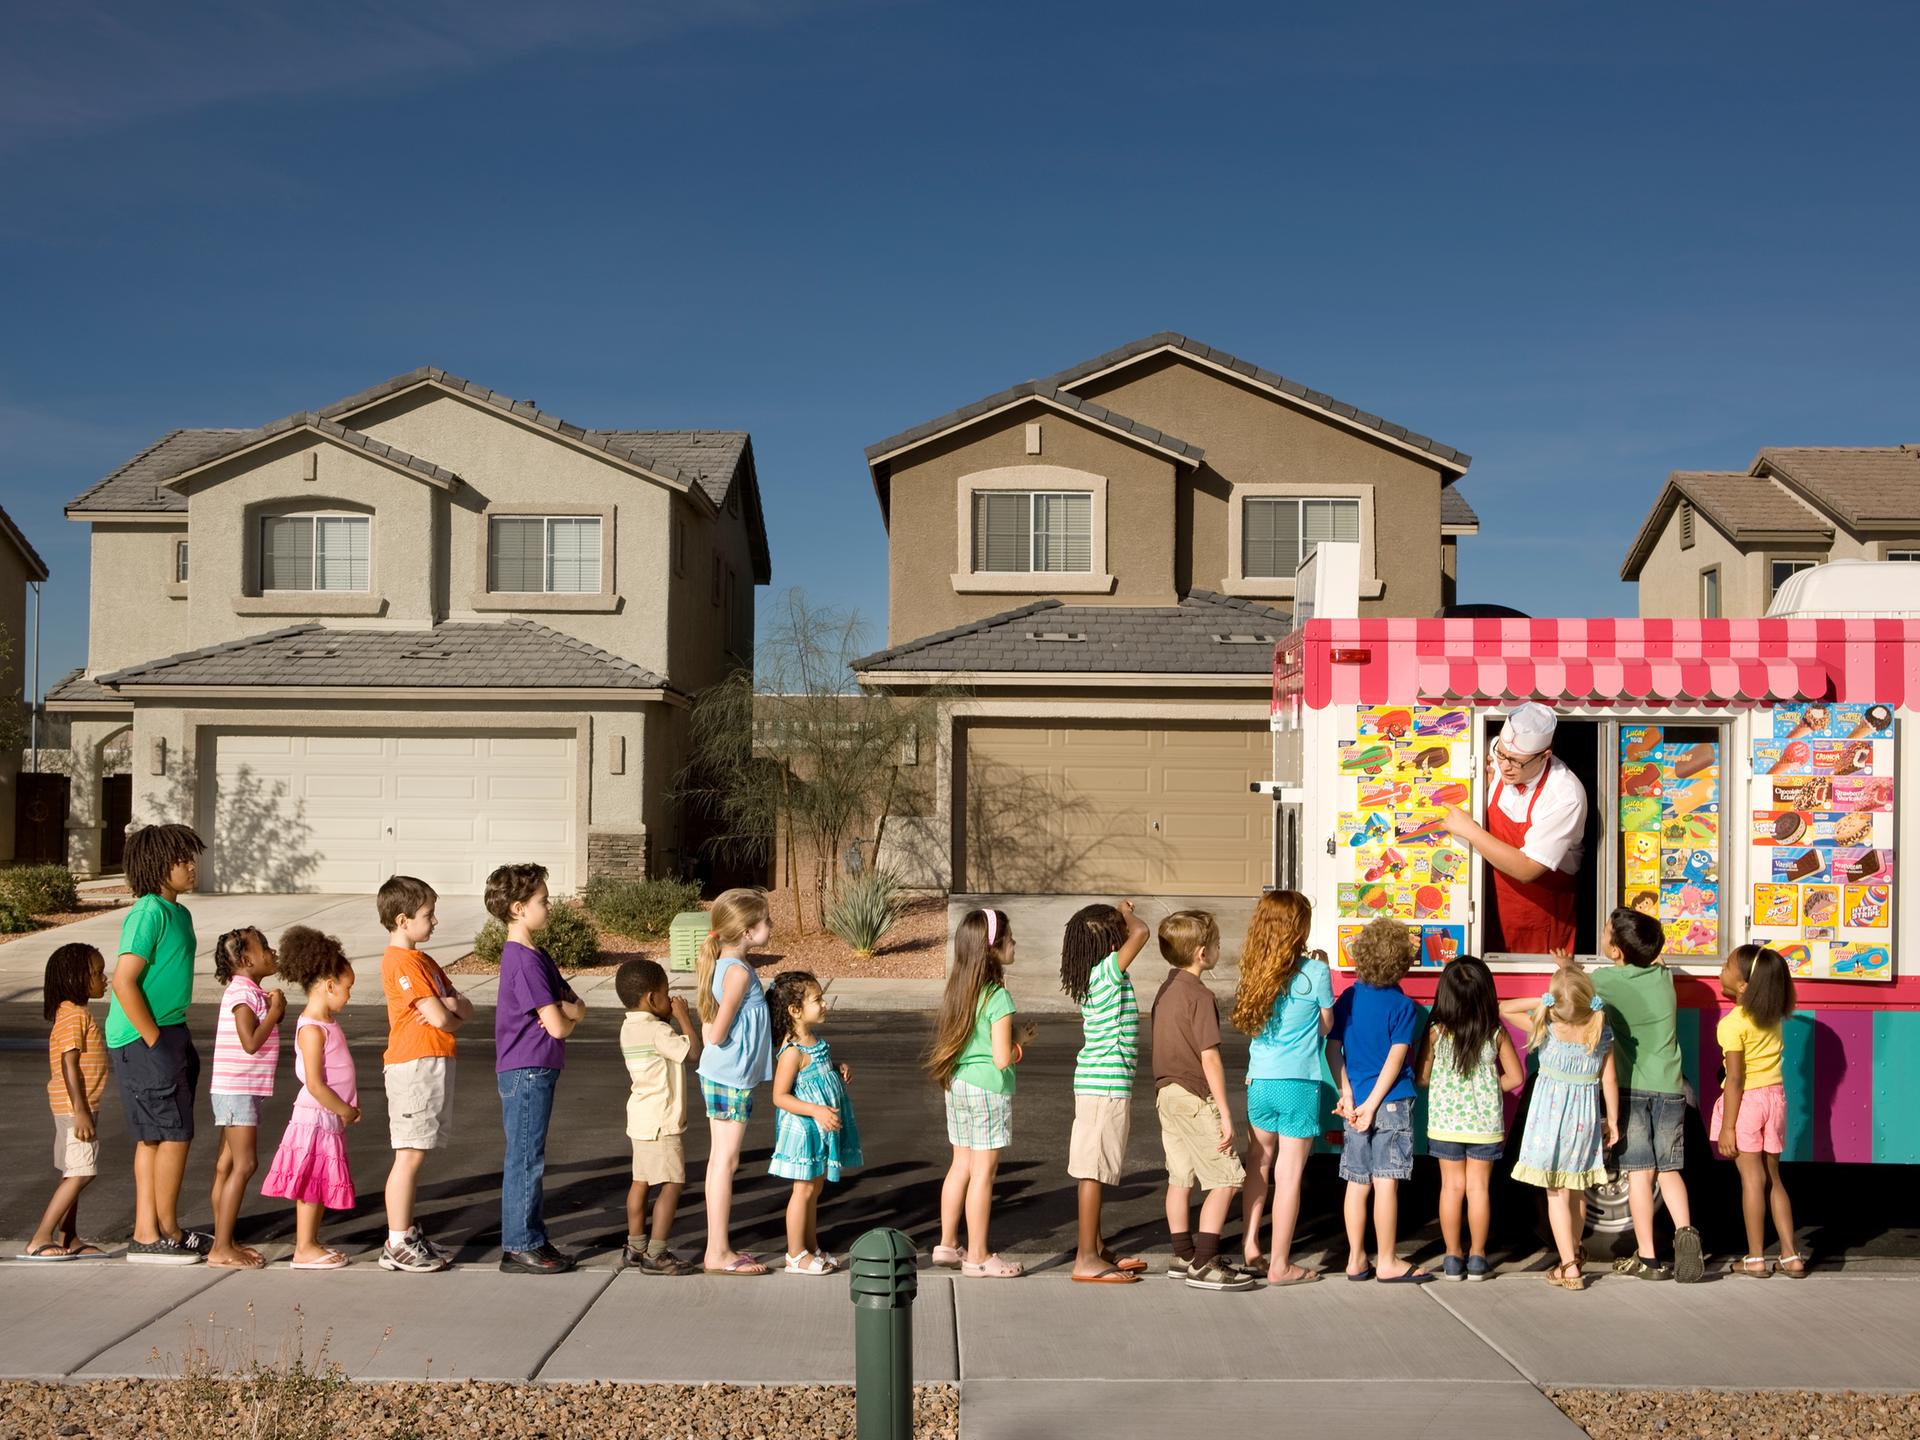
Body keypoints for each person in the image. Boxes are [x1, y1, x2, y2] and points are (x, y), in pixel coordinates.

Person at [106, 822, 213, 1264]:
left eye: (191, 856)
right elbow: (124, 981)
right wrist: (154, 1040)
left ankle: (147, 1231)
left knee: (154, 1137)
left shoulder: (178, 912)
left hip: (169, 1031)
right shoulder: (147, 912)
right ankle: (165, 1232)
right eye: (181, 859)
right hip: (145, 1036)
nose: (192, 865)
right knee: (171, 1135)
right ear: (156, 866)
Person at [1592, 907, 1704, 1284]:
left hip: (1632, 1089)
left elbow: (1572, 991)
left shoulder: (1606, 980)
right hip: (1672, 1088)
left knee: (1640, 1175)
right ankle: (1685, 1233)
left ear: (1617, 950)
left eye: (1607, 932)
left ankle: (1648, 1258)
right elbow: (1655, 957)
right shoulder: (1663, 977)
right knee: (1670, 1170)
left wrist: (1563, 968)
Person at [1232, 890, 1334, 1287]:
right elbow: (1326, 1027)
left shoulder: (1254, 970)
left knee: (1258, 1163)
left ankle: (1250, 1246)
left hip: (1259, 1080)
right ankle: (1280, 1265)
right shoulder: (1315, 972)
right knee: (1289, 1175)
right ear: (1300, 927)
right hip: (1298, 1082)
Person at [925, 907, 1032, 1279]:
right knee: (983, 1174)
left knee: (961, 1166)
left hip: (958, 1085)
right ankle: (980, 1256)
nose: (1014, 944)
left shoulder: (959, 989)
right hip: (988, 1089)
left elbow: (976, 1042)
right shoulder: (998, 997)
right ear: (993, 948)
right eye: (1010, 938)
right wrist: (1019, 1048)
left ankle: (947, 1243)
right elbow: (1002, 1057)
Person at [491, 862, 586, 1275]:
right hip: (526, 1069)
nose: (549, 907)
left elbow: (573, 1001)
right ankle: (519, 1245)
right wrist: (571, 1014)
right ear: (517, 908)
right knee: (525, 1159)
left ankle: (531, 1235)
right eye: (542, 901)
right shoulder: (524, 961)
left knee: (530, 1156)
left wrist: (571, 1011)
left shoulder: (536, 955)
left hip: (537, 1067)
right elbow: (561, 1022)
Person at [1152, 909, 1254, 1293]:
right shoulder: (1200, 994)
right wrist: (1226, 1114)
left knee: (1180, 1177)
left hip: (1167, 1092)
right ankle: (1205, 1263)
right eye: (1215, 944)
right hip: (1195, 1094)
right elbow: (1209, 1057)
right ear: (1200, 953)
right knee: (1226, 1179)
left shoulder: (1167, 989)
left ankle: (1183, 1252)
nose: (1218, 949)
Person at [1504, 964, 1619, 1291]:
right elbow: (1609, 1080)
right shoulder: (1600, 1033)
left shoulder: (1547, 1029)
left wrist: (1542, 1002)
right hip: (1584, 1125)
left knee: (1555, 1193)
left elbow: (1504, 1008)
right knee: (1577, 1188)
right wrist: (1612, 1120)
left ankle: (1569, 1265)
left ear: (1555, 1002)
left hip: (1550, 1124)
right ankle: (1574, 1253)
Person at [1440, 702, 1588, 954]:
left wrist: (1472, 831)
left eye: (1516, 762)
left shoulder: (1564, 795)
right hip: (1490, 902)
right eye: (1501, 755)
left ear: (1545, 755)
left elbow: (1526, 868)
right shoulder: (1498, 752)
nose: (1505, 766)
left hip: (1540, 918)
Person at [378, 874, 470, 1274]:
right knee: (410, 1154)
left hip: (433, 1060)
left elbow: (464, 1006)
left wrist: (450, 1009)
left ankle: (404, 1233)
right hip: (413, 1064)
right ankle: (397, 1241)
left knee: (418, 1150)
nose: (434, 922)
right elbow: (444, 1017)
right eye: (428, 915)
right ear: (403, 920)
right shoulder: (400, 962)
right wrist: (449, 1010)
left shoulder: (425, 961)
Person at [1330, 918, 1429, 1282]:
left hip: (1354, 1106)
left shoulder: (1349, 997)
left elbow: (1333, 1049)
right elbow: (1396, 1058)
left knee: (1357, 1182)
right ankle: (1386, 1260)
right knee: (1387, 1182)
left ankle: (1356, 1258)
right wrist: (1373, 1104)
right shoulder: (1404, 1006)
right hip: (1390, 1102)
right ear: (1402, 962)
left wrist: (1349, 1095)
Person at [1415, 955, 1524, 1281]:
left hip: (1445, 1124)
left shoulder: (1437, 1032)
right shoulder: (1495, 1032)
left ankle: (1451, 1257)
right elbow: (1516, 1078)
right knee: (1478, 1189)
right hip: (1484, 1125)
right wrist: (1491, 1089)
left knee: (1451, 1187)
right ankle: (1477, 1257)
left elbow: (1423, 1078)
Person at [1060, 900, 1152, 1284]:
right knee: (1093, 1172)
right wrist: (1125, 911)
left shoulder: (1091, 976)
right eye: (1117, 932)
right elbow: (1142, 932)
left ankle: (1095, 1248)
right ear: (1110, 941)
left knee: (1093, 1168)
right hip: (1106, 1086)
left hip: (1098, 1085)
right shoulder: (1107, 973)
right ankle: (1086, 1258)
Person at [260, 927, 361, 1270]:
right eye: (347, 988)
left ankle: (310, 1242)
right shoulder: (312, 1029)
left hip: (325, 1117)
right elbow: (316, 1084)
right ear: (329, 985)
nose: (348, 995)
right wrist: (345, 1109)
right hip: (316, 1115)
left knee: (316, 1180)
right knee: (310, 1181)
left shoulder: (325, 1021)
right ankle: (303, 1248)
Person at [1713, 945, 1807, 1278]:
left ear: (1742, 986)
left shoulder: (1732, 1023)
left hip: (1747, 1104)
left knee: (1752, 1181)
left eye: (1726, 966)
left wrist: (1728, 1126)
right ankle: (1790, 1254)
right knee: (1774, 1180)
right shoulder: (1773, 1017)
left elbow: (1735, 1078)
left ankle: (1754, 1258)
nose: (1721, 969)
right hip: (1775, 1100)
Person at [696, 888, 776, 1276]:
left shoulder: (726, 964)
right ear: (747, 931)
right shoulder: (740, 973)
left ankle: (718, 1247)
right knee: (726, 1163)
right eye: (766, 921)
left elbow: (709, 1019)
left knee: (720, 1162)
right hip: (731, 1078)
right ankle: (718, 1252)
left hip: (721, 1075)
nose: (771, 926)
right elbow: (716, 1031)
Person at [768, 969, 864, 1275]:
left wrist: (838, 1069)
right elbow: (780, 1096)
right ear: (795, 1010)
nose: (824, 1004)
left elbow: (818, 1072)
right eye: (817, 999)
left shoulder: (813, 1041)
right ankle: (795, 1254)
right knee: (804, 1190)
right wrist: (816, 1111)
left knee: (815, 1187)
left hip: (818, 1129)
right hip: (804, 1130)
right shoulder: (793, 1051)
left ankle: (810, 1248)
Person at [616, 957, 702, 1275]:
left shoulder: (628, 1027)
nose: (671, 1000)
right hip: (662, 1122)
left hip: (640, 1119)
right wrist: (683, 1016)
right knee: (672, 1184)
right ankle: (657, 1252)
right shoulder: (657, 1032)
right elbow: (693, 1052)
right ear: (653, 999)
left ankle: (635, 1246)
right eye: (667, 994)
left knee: (641, 1181)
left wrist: (668, 1016)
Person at [23, 944, 110, 1260]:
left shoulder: (74, 1013)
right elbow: (68, 1064)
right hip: (76, 1108)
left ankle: (68, 1235)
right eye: (97, 973)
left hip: (76, 1106)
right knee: (81, 1172)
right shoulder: (73, 1015)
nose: (105, 979)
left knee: (73, 1170)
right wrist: (82, 1110)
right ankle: (40, 1237)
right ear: (76, 979)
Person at [207, 926, 284, 1269]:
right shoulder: (242, 994)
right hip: (237, 1090)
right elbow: (250, 1042)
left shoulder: (248, 991)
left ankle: (225, 1238)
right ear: (245, 959)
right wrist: (275, 1014)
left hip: (234, 1089)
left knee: (226, 1165)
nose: (271, 951)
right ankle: (221, 1247)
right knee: (245, 1164)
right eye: (264, 946)